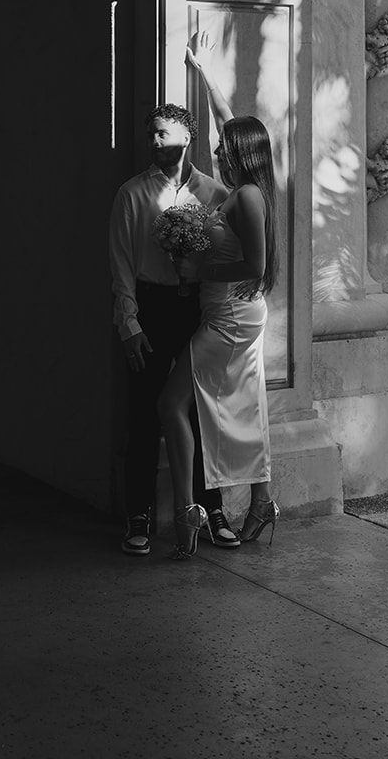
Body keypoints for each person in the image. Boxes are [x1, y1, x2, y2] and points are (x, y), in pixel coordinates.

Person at [158, 31, 280, 559]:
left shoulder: (247, 196)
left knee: (171, 401)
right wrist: (204, 70)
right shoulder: (245, 190)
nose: (216, 149)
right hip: (234, 310)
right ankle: (261, 501)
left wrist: (198, 262)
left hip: (230, 314)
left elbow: (255, 263)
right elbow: (226, 117)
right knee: (245, 405)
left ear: (243, 156)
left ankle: (189, 510)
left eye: (225, 149)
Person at [108, 101, 240, 555]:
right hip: (150, 309)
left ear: (188, 138)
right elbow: (121, 266)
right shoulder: (131, 195)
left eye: (164, 134)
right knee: (144, 412)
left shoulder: (214, 193)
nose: (156, 143)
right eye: (152, 136)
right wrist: (129, 326)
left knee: (203, 412)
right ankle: (139, 514)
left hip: (196, 312)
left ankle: (212, 508)